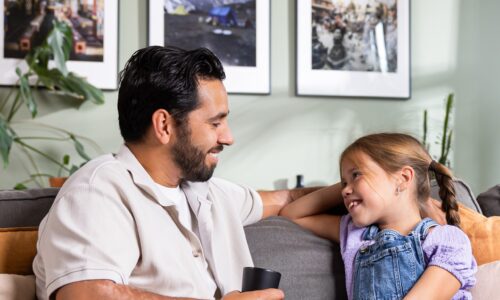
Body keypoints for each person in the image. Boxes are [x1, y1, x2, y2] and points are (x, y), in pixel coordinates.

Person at [32, 46, 314, 300]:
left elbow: (285, 198)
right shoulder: (98, 191)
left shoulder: (208, 192)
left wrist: (354, 181)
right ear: (164, 125)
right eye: (215, 123)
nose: (228, 138)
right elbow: (84, 296)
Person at [280, 133, 477, 299]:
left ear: (403, 178)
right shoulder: (355, 235)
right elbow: (292, 215)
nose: (344, 191)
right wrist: (349, 186)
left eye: (356, 174)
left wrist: (353, 187)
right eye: (342, 183)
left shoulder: (448, 241)